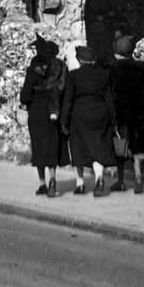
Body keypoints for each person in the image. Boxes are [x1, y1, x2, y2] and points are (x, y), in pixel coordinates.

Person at [60, 45, 117, 197]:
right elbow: (109, 99)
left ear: (79, 60)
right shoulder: (104, 75)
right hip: (100, 113)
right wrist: (114, 120)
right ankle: (99, 178)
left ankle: (80, 184)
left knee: (77, 148)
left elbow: (68, 100)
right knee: (98, 147)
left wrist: (63, 121)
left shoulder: (73, 76)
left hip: (79, 115)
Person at [19, 33, 69, 198]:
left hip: (37, 112)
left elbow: (25, 96)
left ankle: (42, 183)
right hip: (52, 111)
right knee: (52, 145)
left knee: (39, 147)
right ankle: (53, 178)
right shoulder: (59, 67)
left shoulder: (34, 67)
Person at [108, 31, 144, 194]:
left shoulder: (113, 69)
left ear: (116, 52)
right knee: (137, 147)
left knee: (120, 147)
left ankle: (120, 181)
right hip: (140, 114)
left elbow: (111, 94)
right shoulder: (143, 68)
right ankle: (138, 177)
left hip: (121, 114)